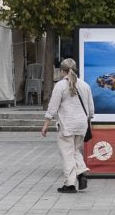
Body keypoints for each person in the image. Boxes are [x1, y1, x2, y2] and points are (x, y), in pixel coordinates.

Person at [39, 58, 95, 193]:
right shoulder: (85, 85)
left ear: (62, 70)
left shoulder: (60, 86)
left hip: (67, 124)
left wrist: (46, 124)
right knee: (75, 150)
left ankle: (70, 184)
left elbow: (52, 107)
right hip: (82, 125)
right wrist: (89, 123)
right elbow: (91, 109)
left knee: (67, 153)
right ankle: (81, 173)